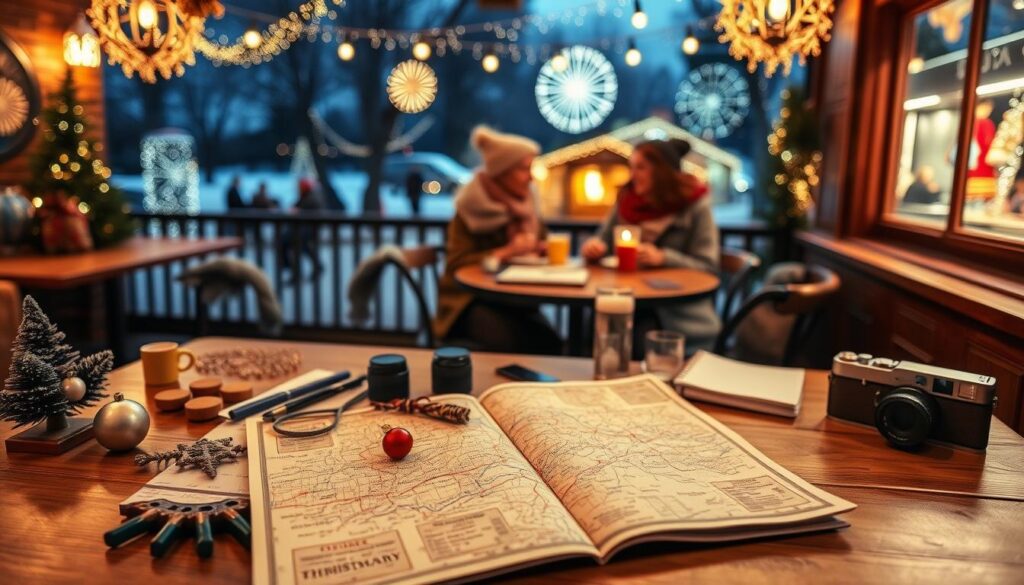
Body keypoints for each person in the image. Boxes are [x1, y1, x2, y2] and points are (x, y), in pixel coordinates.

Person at [581, 138, 720, 356]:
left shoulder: (695, 206)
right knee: (596, 325)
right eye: (632, 167)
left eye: (641, 168)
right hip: (625, 297)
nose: (633, 175)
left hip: (674, 313)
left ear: (662, 171)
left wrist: (663, 257)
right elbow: (602, 240)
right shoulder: (627, 201)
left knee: (635, 334)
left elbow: (708, 265)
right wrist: (593, 248)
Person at [434, 126, 562, 355]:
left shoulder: (528, 204)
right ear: (503, 171)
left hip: (515, 302)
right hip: (467, 304)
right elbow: (455, 265)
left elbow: (540, 239)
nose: (531, 176)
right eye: (524, 169)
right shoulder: (470, 208)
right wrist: (506, 252)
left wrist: (540, 248)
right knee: (511, 342)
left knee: (550, 342)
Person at [279, 177, 325, 281]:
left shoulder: (311, 198)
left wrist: (297, 211)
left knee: (298, 247)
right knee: (302, 248)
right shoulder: (306, 196)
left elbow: (303, 210)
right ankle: (314, 268)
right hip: (302, 230)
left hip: (305, 230)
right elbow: (296, 206)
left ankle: (297, 272)